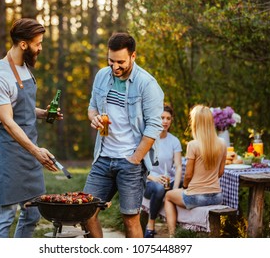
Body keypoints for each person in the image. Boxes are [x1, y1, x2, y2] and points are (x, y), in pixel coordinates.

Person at [0, 18, 62, 238]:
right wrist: (37, 152)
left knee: (32, 213)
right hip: (8, 152)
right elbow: (8, 122)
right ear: (23, 44)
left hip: (29, 151)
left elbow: (22, 107)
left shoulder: (25, 67)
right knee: (6, 212)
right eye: (38, 43)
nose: (41, 47)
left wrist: (45, 113)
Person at [84, 32, 164, 238]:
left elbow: (154, 127)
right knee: (86, 211)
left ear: (133, 56)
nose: (115, 66)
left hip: (130, 161)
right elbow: (92, 107)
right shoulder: (102, 76)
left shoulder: (147, 84)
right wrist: (93, 118)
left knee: (130, 219)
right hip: (103, 157)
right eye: (111, 61)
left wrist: (135, 159)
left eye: (120, 62)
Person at [164, 104, 226, 237]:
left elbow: (188, 174)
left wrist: (185, 187)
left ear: (195, 123)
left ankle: (172, 235)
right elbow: (220, 172)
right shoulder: (222, 143)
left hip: (196, 197)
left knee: (168, 196)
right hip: (217, 197)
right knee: (176, 194)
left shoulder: (193, 145)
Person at [143, 105, 182, 238]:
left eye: (168, 118)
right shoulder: (148, 139)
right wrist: (153, 178)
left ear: (171, 120)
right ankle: (151, 225)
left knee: (184, 184)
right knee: (159, 188)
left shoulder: (174, 141)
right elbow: (140, 166)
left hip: (168, 182)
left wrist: (175, 188)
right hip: (150, 182)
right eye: (162, 118)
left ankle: (175, 231)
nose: (165, 121)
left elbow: (178, 167)